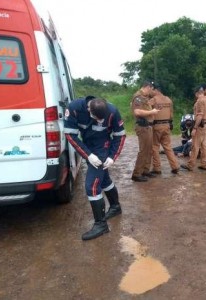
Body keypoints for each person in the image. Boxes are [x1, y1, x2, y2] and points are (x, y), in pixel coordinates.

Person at [64, 96, 126, 240]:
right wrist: (88, 155)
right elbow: (70, 135)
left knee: (91, 186)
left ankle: (101, 224)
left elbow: (120, 135)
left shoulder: (112, 111)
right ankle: (115, 207)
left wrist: (112, 156)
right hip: (87, 145)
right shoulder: (74, 108)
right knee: (104, 180)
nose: (100, 121)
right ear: (88, 110)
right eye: (96, 118)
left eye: (102, 119)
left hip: (102, 146)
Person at [131, 80, 160, 182]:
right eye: (151, 89)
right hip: (143, 126)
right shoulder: (138, 97)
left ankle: (145, 171)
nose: (151, 92)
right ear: (147, 87)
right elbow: (137, 111)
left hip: (148, 126)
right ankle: (137, 174)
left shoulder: (145, 98)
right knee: (143, 150)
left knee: (149, 150)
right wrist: (151, 111)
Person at [150, 83, 180, 174]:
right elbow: (171, 114)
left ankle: (157, 168)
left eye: (152, 90)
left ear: (156, 90)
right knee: (168, 147)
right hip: (167, 125)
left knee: (155, 147)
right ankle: (175, 166)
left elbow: (146, 110)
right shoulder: (168, 99)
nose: (151, 92)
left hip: (157, 126)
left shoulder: (153, 100)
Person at [180, 87, 206, 171]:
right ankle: (204, 164)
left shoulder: (200, 101)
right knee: (204, 146)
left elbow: (200, 115)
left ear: (197, 93)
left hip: (200, 126)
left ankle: (190, 165)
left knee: (195, 146)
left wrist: (195, 128)